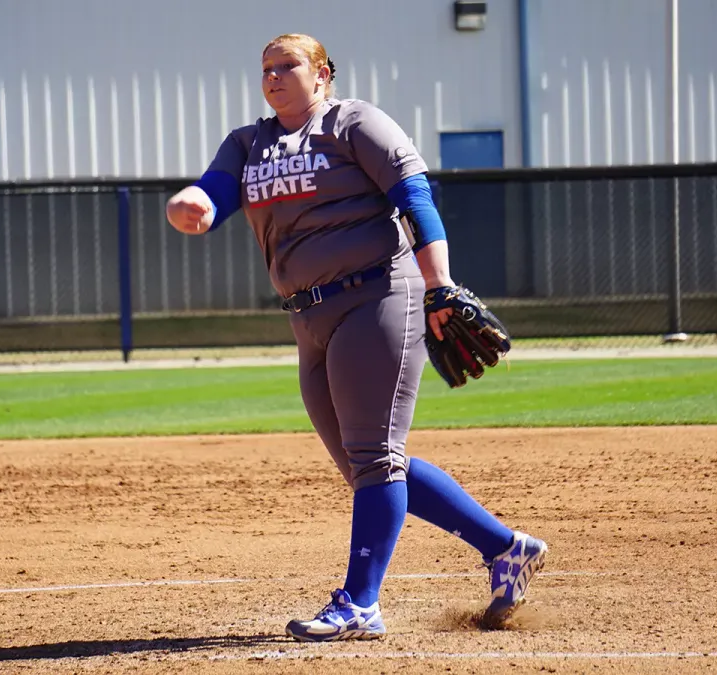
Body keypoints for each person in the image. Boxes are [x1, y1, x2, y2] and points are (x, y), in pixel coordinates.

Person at [165, 33, 548, 642]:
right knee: (366, 465)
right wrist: (193, 203)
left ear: (322, 74)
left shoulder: (354, 123)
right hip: (307, 316)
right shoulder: (248, 143)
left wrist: (439, 284)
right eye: (266, 68)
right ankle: (507, 549)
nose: (273, 76)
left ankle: (360, 605)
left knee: (374, 457)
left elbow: (414, 196)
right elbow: (214, 189)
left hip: (377, 296)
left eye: (287, 65)